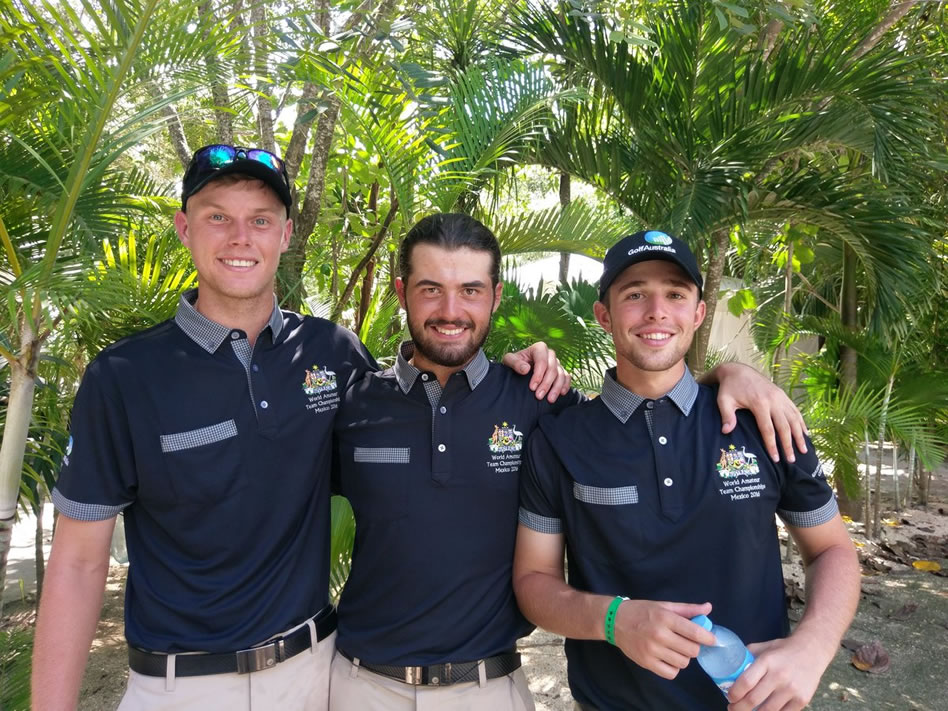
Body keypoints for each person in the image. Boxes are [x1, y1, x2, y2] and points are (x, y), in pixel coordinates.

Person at [30, 146, 567, 711]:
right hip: (181, 686)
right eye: (218, 216)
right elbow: (78, 563)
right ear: (185, 228)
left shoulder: (331, 354)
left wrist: (524, 366)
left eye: (261, 220)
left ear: (285, 234)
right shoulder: (124, 376)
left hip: (315, 674)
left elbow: (425, 390)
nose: (241, 238)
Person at [328, 216, 814, 711]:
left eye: (470, 290)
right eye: (431, 289)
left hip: (487, 687)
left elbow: (653, 393)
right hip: (361, 684)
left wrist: (732, 375)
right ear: (402, 292)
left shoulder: (539, 402)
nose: (451, 310)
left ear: (495, 297)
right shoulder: (353, 405)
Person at [513, 230, 860, 711]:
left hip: (752, 701)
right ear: (604, 315)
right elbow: (534, 581)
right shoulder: (558, 439)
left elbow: (831, 550)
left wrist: (814, 646)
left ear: (698, 313)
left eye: (675, 294)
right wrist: (614, 620)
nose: (657, 311)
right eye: (635, 294)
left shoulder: (763, 423)